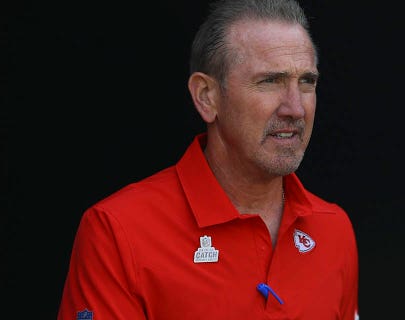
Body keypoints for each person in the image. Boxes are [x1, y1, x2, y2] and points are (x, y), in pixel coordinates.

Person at [57, 0, 359, 319]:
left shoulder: (333, 229)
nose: (295, 109)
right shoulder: (118, 232)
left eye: (306, 82)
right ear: (206, 97)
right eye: (270, 81)